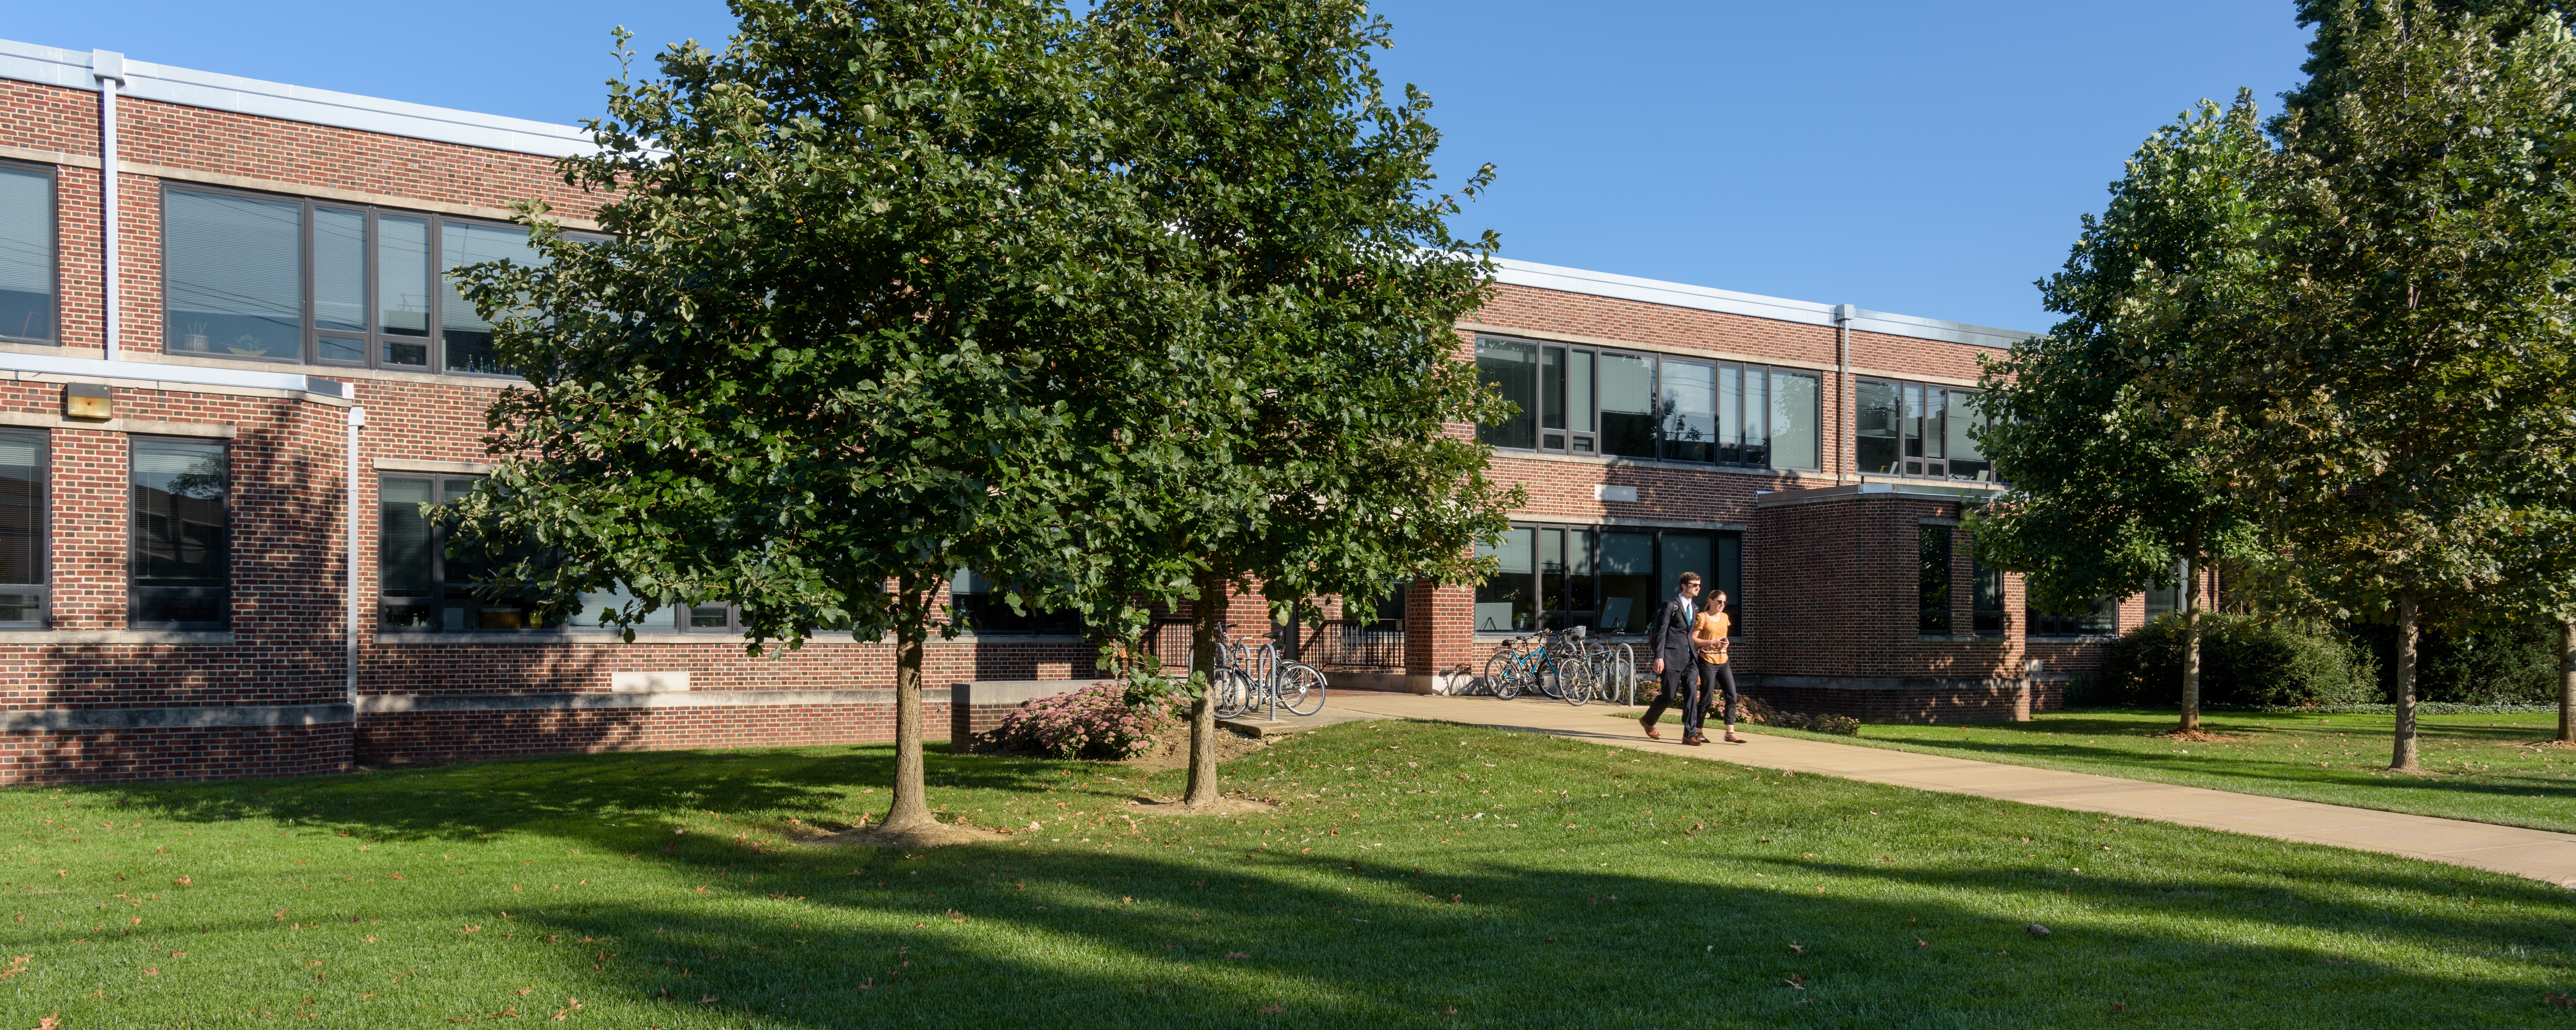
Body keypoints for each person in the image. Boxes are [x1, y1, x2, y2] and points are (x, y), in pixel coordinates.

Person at [1640, 572, 1708, 744]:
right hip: (1671, 656)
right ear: (1684, 586)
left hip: (1690, 659)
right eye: (1694, 585)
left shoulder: (1695, 608)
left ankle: (1689, 734)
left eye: (1699, 585)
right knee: (1669, 695)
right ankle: (1648, 721)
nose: (1698, 588)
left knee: (1692, 696)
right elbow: (1661, 632)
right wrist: (1659, 657)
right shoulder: (1670, 605)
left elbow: (1690, 635)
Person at [1696, 589, 1745, 744]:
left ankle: (1730, 732)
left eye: (1725, 602)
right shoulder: (1702, 618)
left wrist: (1726, 642)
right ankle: (1698, 732)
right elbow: (1693, 639)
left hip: (1724, 661)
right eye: (1720, 601)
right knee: (1707, 698)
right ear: (1711, 601)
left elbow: (1724, 636)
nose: (1723, 604)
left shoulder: (1725, 618)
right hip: (1707, 661)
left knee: (1732, 695)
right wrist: (1711, 643)